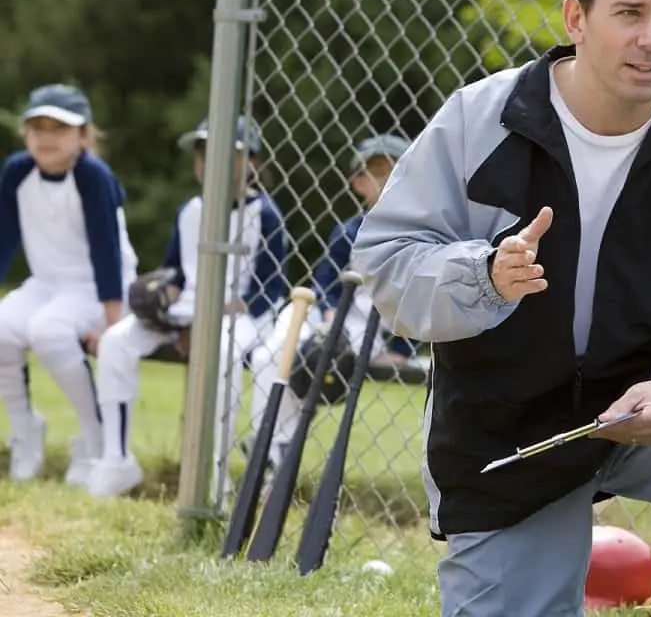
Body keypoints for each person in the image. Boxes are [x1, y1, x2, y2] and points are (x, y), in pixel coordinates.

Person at [352, 0, 651, 616]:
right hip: (512, 430)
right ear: (576, 18)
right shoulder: (479, 121)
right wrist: (484, 277)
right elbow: (388, 264)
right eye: (630, 14)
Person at [86, 116, 291, 499]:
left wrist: (210, 321)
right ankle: (116, 460)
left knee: (222, 354)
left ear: (254, 163)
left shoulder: (265, 215)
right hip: (189, 310)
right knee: (115, 342)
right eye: (203, 154)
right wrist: (163, 297)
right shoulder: (190, 209)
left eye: (224, 155)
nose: (208, 162)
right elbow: (178, 272)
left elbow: (268, 290)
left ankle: (214, 471)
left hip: (243, 317)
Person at [247, 133, 425, 470]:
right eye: (376, 170)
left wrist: (401, 350)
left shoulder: (422, 234)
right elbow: (325, 282)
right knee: (267, 357)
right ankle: (267, 444)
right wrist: (328, 314)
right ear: (358, 183)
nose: (387, 177)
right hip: (324, 312)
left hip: (365, 328)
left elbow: (422, 300)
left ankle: (275, 451)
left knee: (314, 361)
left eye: (395, 169)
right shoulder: (348, 231)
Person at [0, 83, 139, 486]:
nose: (46, 137)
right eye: (37, 127)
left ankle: (94, 441)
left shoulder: (93, 177)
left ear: (83, 135)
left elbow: (106, 252)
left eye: (59, 128)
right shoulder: (17, 172)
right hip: (47, 283)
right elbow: (4, 241)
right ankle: (25, 430)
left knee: (49, 331)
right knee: (3, 328)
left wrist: (112, 325)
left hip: (98, 286)